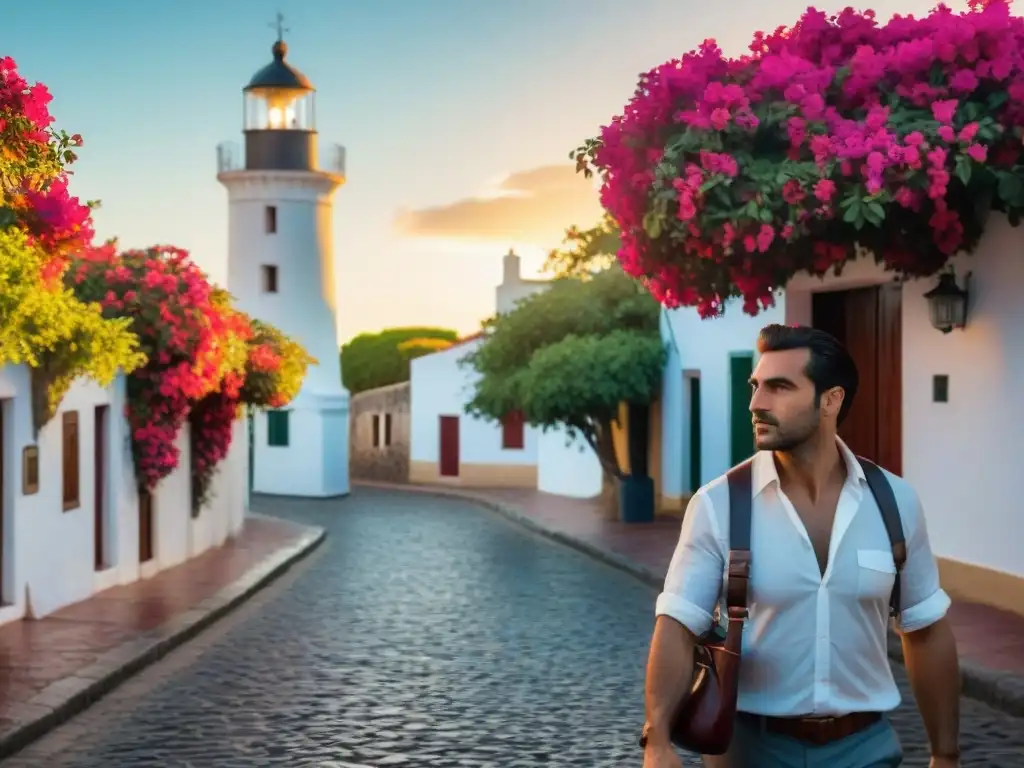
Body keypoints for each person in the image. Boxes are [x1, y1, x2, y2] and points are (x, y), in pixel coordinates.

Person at [641, 324, 961, 768]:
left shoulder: (895, 502)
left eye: (779, 387)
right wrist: (657, 742)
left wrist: (945, 754)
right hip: (749, 750)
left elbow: (925, 631)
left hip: (866, 749)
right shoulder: (718, 504)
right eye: (756, 386)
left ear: (831, 400)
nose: (756, 403)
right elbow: (677, 626)